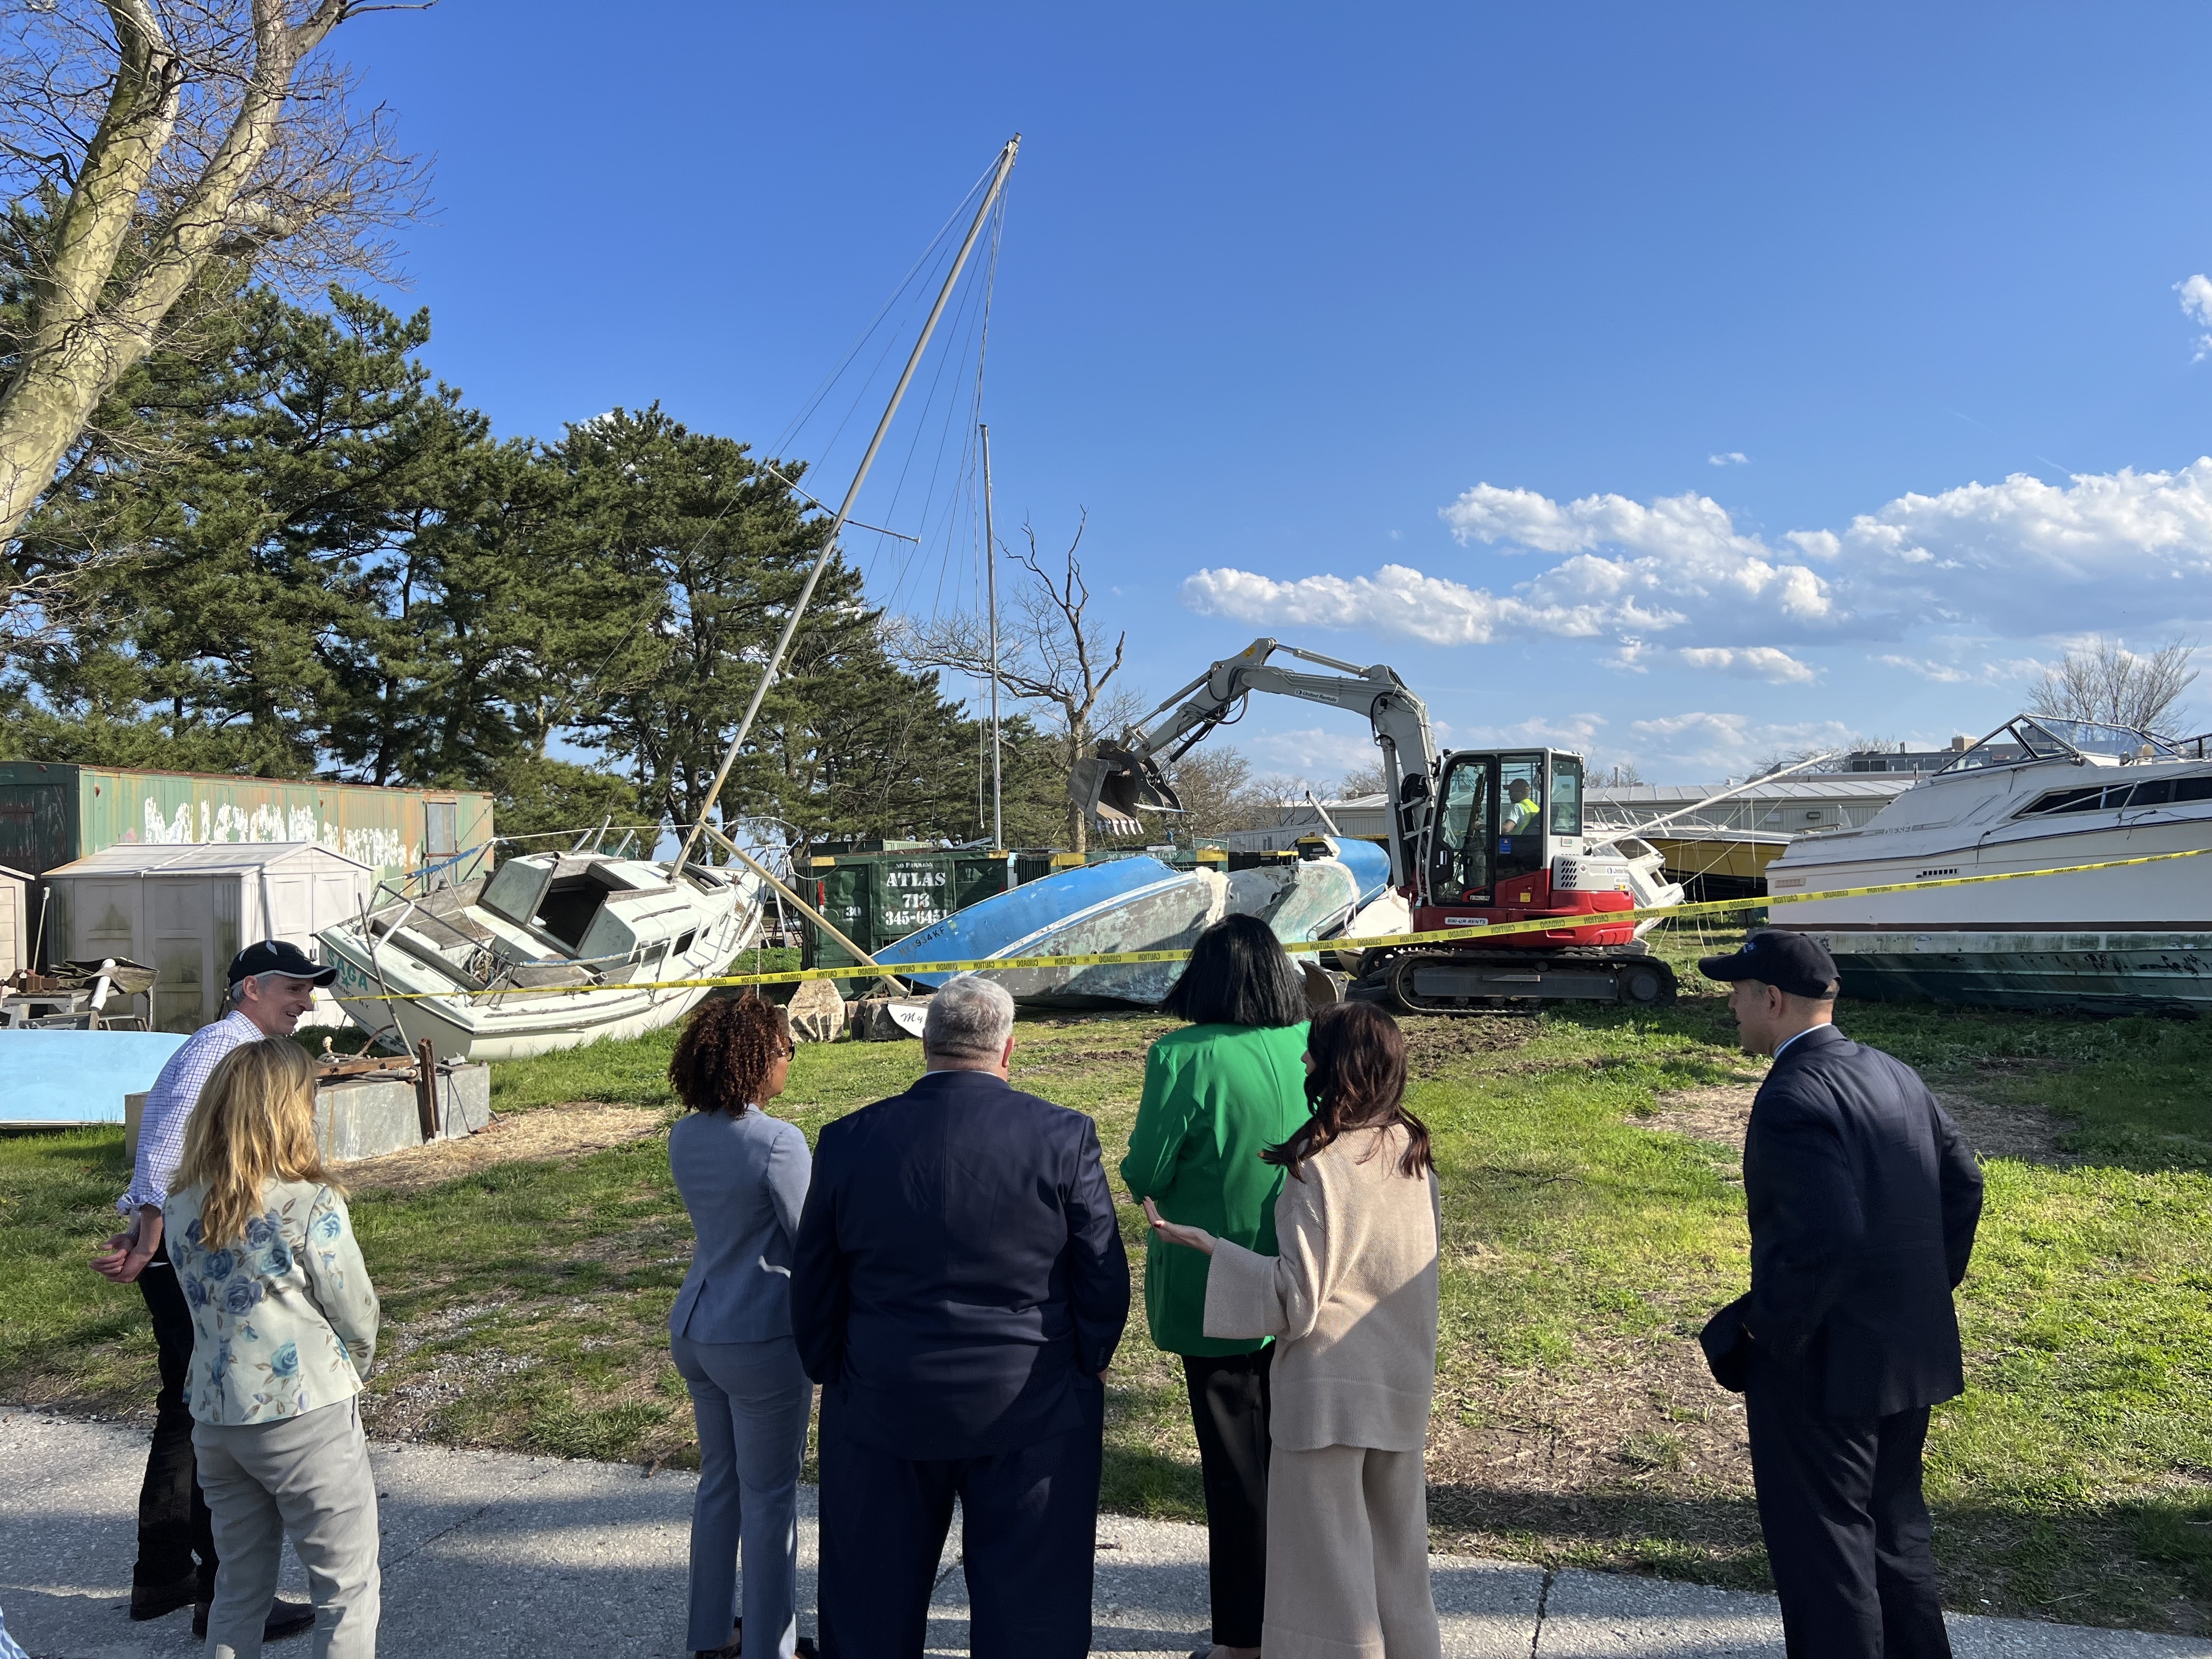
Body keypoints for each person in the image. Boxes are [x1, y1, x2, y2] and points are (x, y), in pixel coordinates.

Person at [792, 974, 1130, 1659]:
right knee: (1031, 1611)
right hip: (1029, 1400)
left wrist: (831, 1368)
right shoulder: (1064, 1137)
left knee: (869, 1611)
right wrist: (1089, 1361)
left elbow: (815, 1278)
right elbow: (1101, 1271)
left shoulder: (850, 1139)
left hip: (884, 1396)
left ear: (925, 1042)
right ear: (1007, 1051)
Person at [1696, 930, 1984, 1659]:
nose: (1730, 1005)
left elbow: (1827, 1236)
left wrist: (1767, 1332)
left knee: (1827, 1557)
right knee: (1896, 1536)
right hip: (1905, 1354)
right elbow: (1964, 1186)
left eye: (1736, 991)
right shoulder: (1894, 1074)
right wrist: (1923, 1289)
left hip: (1824, 1369)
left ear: (1773, 999)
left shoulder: (1792, 1093)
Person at [1146, 1000, 1443, 1659]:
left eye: (1314, 1050)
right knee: (1397, 1561)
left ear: (1337, 1065)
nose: (1303, 1059)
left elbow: (1296, 1301)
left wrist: (1212, 1250)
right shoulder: (1411, 1149)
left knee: (1326, 1575)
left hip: (1327, 1390)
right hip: (1400, 1379)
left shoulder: (1318, 1162)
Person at [92, 940, 334, 1642]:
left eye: (311, 989)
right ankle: (221, 1594)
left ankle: (163, 1573)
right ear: (251, 988)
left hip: (180, 1249)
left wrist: (149, 1230)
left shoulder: (232, 1046)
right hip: (191, 1258)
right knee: (214, 1413)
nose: (307, 1000)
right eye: (296, 987)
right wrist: (149, 1230)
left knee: (185, 1407)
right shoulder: (223, 1048)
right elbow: (164, 1145)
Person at [1119, 915, 1311, 1659]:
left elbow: (1146, 1169)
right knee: (1294, 1464)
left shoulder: (1181, 1056)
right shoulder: (1306, 1042)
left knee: (1236, 1474)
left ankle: (1244, 1640)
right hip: (1304, 1276)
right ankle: (1300, 1617)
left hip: (1218, 1284)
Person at [163, 1037, 382, 1659]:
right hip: (305, 1409)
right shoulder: (310, 1200)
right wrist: (351, 1371)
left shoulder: (180, 1205)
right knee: (346, 1589)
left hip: (215, 1413)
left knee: (238, 1585)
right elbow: (357, 1312)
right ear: (289, 1111)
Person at [665, 996, 816, 1659]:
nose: (790, 1063)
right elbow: (812, 1240)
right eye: (786, 1051)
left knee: (719, 1484)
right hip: (759, 1336)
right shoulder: (778, 1141)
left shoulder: (684, 1135)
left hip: (696, 1324)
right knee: (770, 1497)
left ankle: (708, 1634)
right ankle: (769, 1647)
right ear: (758, 1061)